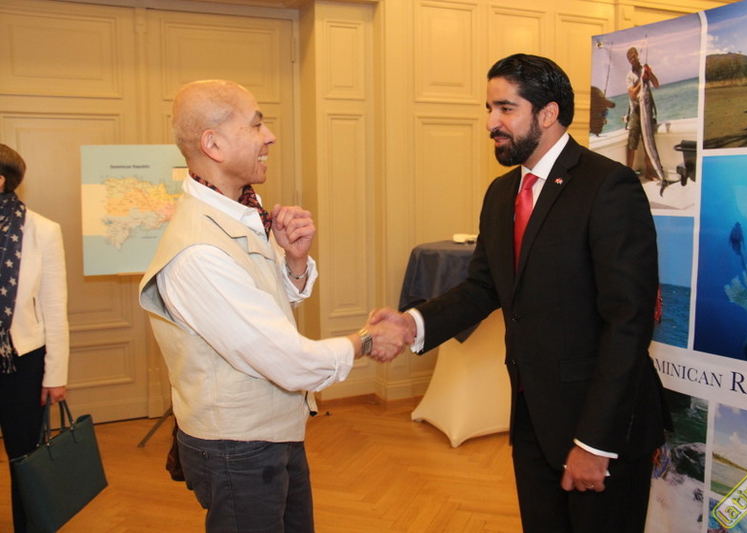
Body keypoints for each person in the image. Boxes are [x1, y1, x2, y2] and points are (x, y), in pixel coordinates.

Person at [371, 54, 671, 533]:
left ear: (548, 114)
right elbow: (483, 287)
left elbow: (629, 322)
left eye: (505, 109)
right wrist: (413, 324)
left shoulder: (607, 186)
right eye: (489, 109)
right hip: (532, 418)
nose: (491, 123)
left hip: (602, 427)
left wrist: (595, 443)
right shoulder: (501, 193)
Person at [138, 79, 409, 533]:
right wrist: (366, 341)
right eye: (256, 125)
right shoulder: (198, 252)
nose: (270, 137)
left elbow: (266, 307)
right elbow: (288, 360)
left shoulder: (237, 210)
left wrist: (294, 261)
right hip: (238, 448)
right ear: (213, 144)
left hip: (272, 432)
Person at [0, 144, 69, 532]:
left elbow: (54, 308)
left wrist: (55, 375)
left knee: (23, 456)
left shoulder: (42, 230)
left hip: (21, 362)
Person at [625, 46, 660, 180]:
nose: (632, 60)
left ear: (637, 56)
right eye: (629, 59)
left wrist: (649, 74)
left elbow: (656, 85)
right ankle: (628, 175)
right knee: (632, 143)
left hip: (647, 109)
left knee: (648, 142)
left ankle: (649, 173)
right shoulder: (629, 76)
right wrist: (642, 81)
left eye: (633, 57)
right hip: (636, 111)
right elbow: (633, 94)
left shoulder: (645, 69)